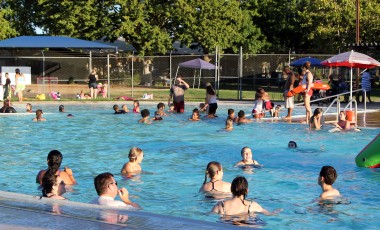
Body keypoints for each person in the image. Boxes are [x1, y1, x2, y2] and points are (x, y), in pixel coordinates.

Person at [212, 176, 276, 215]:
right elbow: (269, 214)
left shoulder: (221, 205)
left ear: (231, 190)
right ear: (246, 191)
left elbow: (209, 214)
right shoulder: (252, 205)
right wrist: (276, 211)